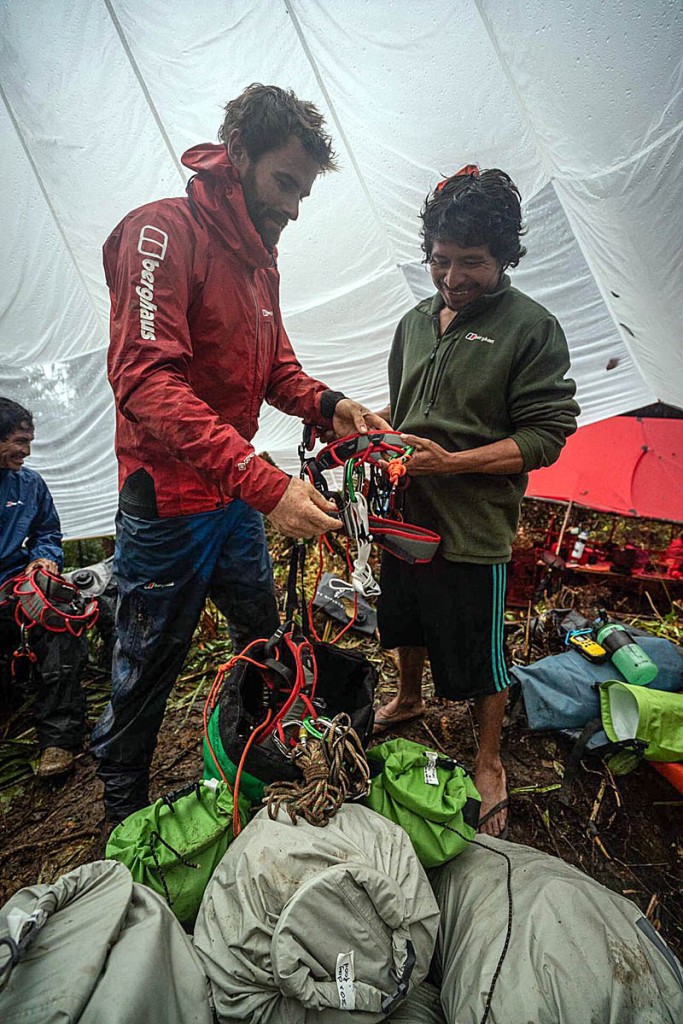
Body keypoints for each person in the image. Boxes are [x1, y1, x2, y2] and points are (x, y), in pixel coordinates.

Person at [90, 83, 387, 824]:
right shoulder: (162, 232)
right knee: (147, 663)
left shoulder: (260, 262)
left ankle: (255, 750)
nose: (293, 207)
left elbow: (275, 368)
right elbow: (146, 380)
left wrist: (329, 405)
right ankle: (122, 809)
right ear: (240, 157)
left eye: (303, 192)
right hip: (168, 505)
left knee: (260, 633)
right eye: (285, 183)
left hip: (232, 503)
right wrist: (264, 484)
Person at [373, 167, 580, 838]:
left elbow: (545, 435)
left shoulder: (529, 328)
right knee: (403, 616)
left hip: (471, 524)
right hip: (403, 514)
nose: (453, 277)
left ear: (504, 258)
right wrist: (366, 424)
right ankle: (406, 697)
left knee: (481, 652)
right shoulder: (413, 323)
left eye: (472, 263)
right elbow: (410, 405)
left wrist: (453, 462)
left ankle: (488, 759)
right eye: (440, 260)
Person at [0, 397, 87, 777]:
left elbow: (48, 532)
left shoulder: (29, 484)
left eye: (29, 442)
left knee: (61, 621)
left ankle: (59, 740)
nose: (26, 451)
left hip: (17, 587)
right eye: (19, 441)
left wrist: (44, 557)